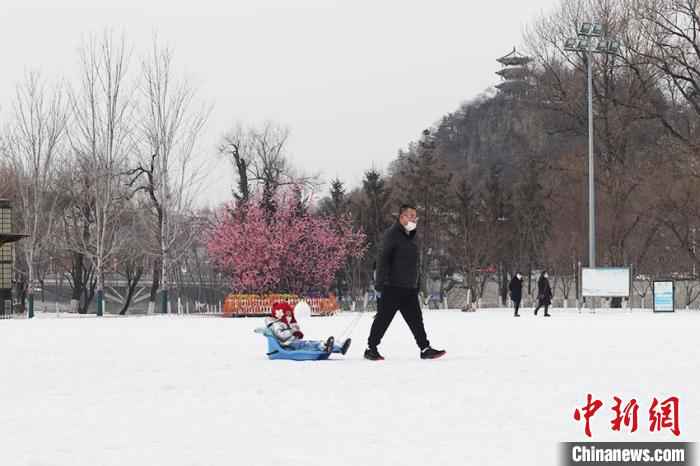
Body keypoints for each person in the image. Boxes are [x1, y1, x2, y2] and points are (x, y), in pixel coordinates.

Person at [365, 204, 446, 360]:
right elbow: (382, 260)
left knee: (416, 319)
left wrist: (417, 284)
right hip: (391, 286)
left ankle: (425, 348)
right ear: (401, 217)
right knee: (383, 319)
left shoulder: (413, 236)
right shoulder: (391, 234)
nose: (413, 218)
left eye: (415, 216)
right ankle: (371, 348)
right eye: (410, 215)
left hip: (409, 287)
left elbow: (416, 263)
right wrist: (380, 284)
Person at [265, 302, 351, 354]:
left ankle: (339, 348)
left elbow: (293, 331)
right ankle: (325, 347)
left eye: (290, 314)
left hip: (293, 342)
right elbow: (281, 335)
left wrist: (295, 329)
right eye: (287, 314)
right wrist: (293, 331)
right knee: (310, 345)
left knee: (313, 342)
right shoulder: (277, 324)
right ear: (281, 314)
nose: (289, 316)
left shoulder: (285, 322)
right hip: (287, 345)